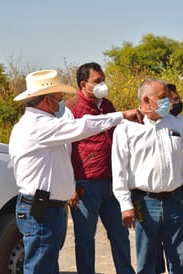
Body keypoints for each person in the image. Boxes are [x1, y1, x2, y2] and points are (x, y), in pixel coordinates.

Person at [9, 69, 141, 274]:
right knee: (39, 267)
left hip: (49, 208)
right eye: (59, 99)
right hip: (41, 209)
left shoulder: (45, 124)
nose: (62, 105)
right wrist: (121, 115)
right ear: (46, 100)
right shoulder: (38, 126)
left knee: (47, 265)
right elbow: (83, 126)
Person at [112, 78, 183, 274]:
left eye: (168, 98)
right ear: (146, 99)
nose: (168, 102)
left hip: (175, 201)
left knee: (178, 258)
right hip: (145, 202)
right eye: (162, 98)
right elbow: (118, 170)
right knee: (147, 260)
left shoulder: (174, 123)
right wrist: (126, 205)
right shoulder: (126, 129)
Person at [67, 62, 135, 274]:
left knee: (120, 234)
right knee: (86, 239)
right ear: (83, 84)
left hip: (111, 182)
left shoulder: (107, 105)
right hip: (85, 184)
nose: (102, 85)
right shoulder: (71, 109)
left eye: (103, 80)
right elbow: (64, 149)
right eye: (97, 81)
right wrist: (70, 185)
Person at [155, 84, 183, 274]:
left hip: (181, 188)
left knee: (179, 238)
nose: (178, 103)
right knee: (155, 243)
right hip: (158, 190)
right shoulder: (156, 123)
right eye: (174, 100)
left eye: (178, 99)